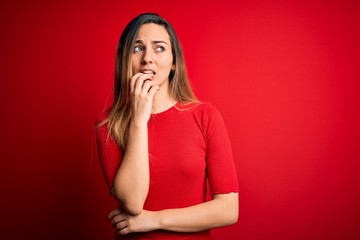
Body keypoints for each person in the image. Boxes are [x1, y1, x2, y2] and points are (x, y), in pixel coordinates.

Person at [95, 12, 239, 240]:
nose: (147, 59)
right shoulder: (109, 125)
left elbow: (229, 210)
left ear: (173, 63)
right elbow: (132, 203)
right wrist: (139, 119)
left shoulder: (206, 116)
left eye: (159, 48)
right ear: (125, 60)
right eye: (137, 48)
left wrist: (152, 220)